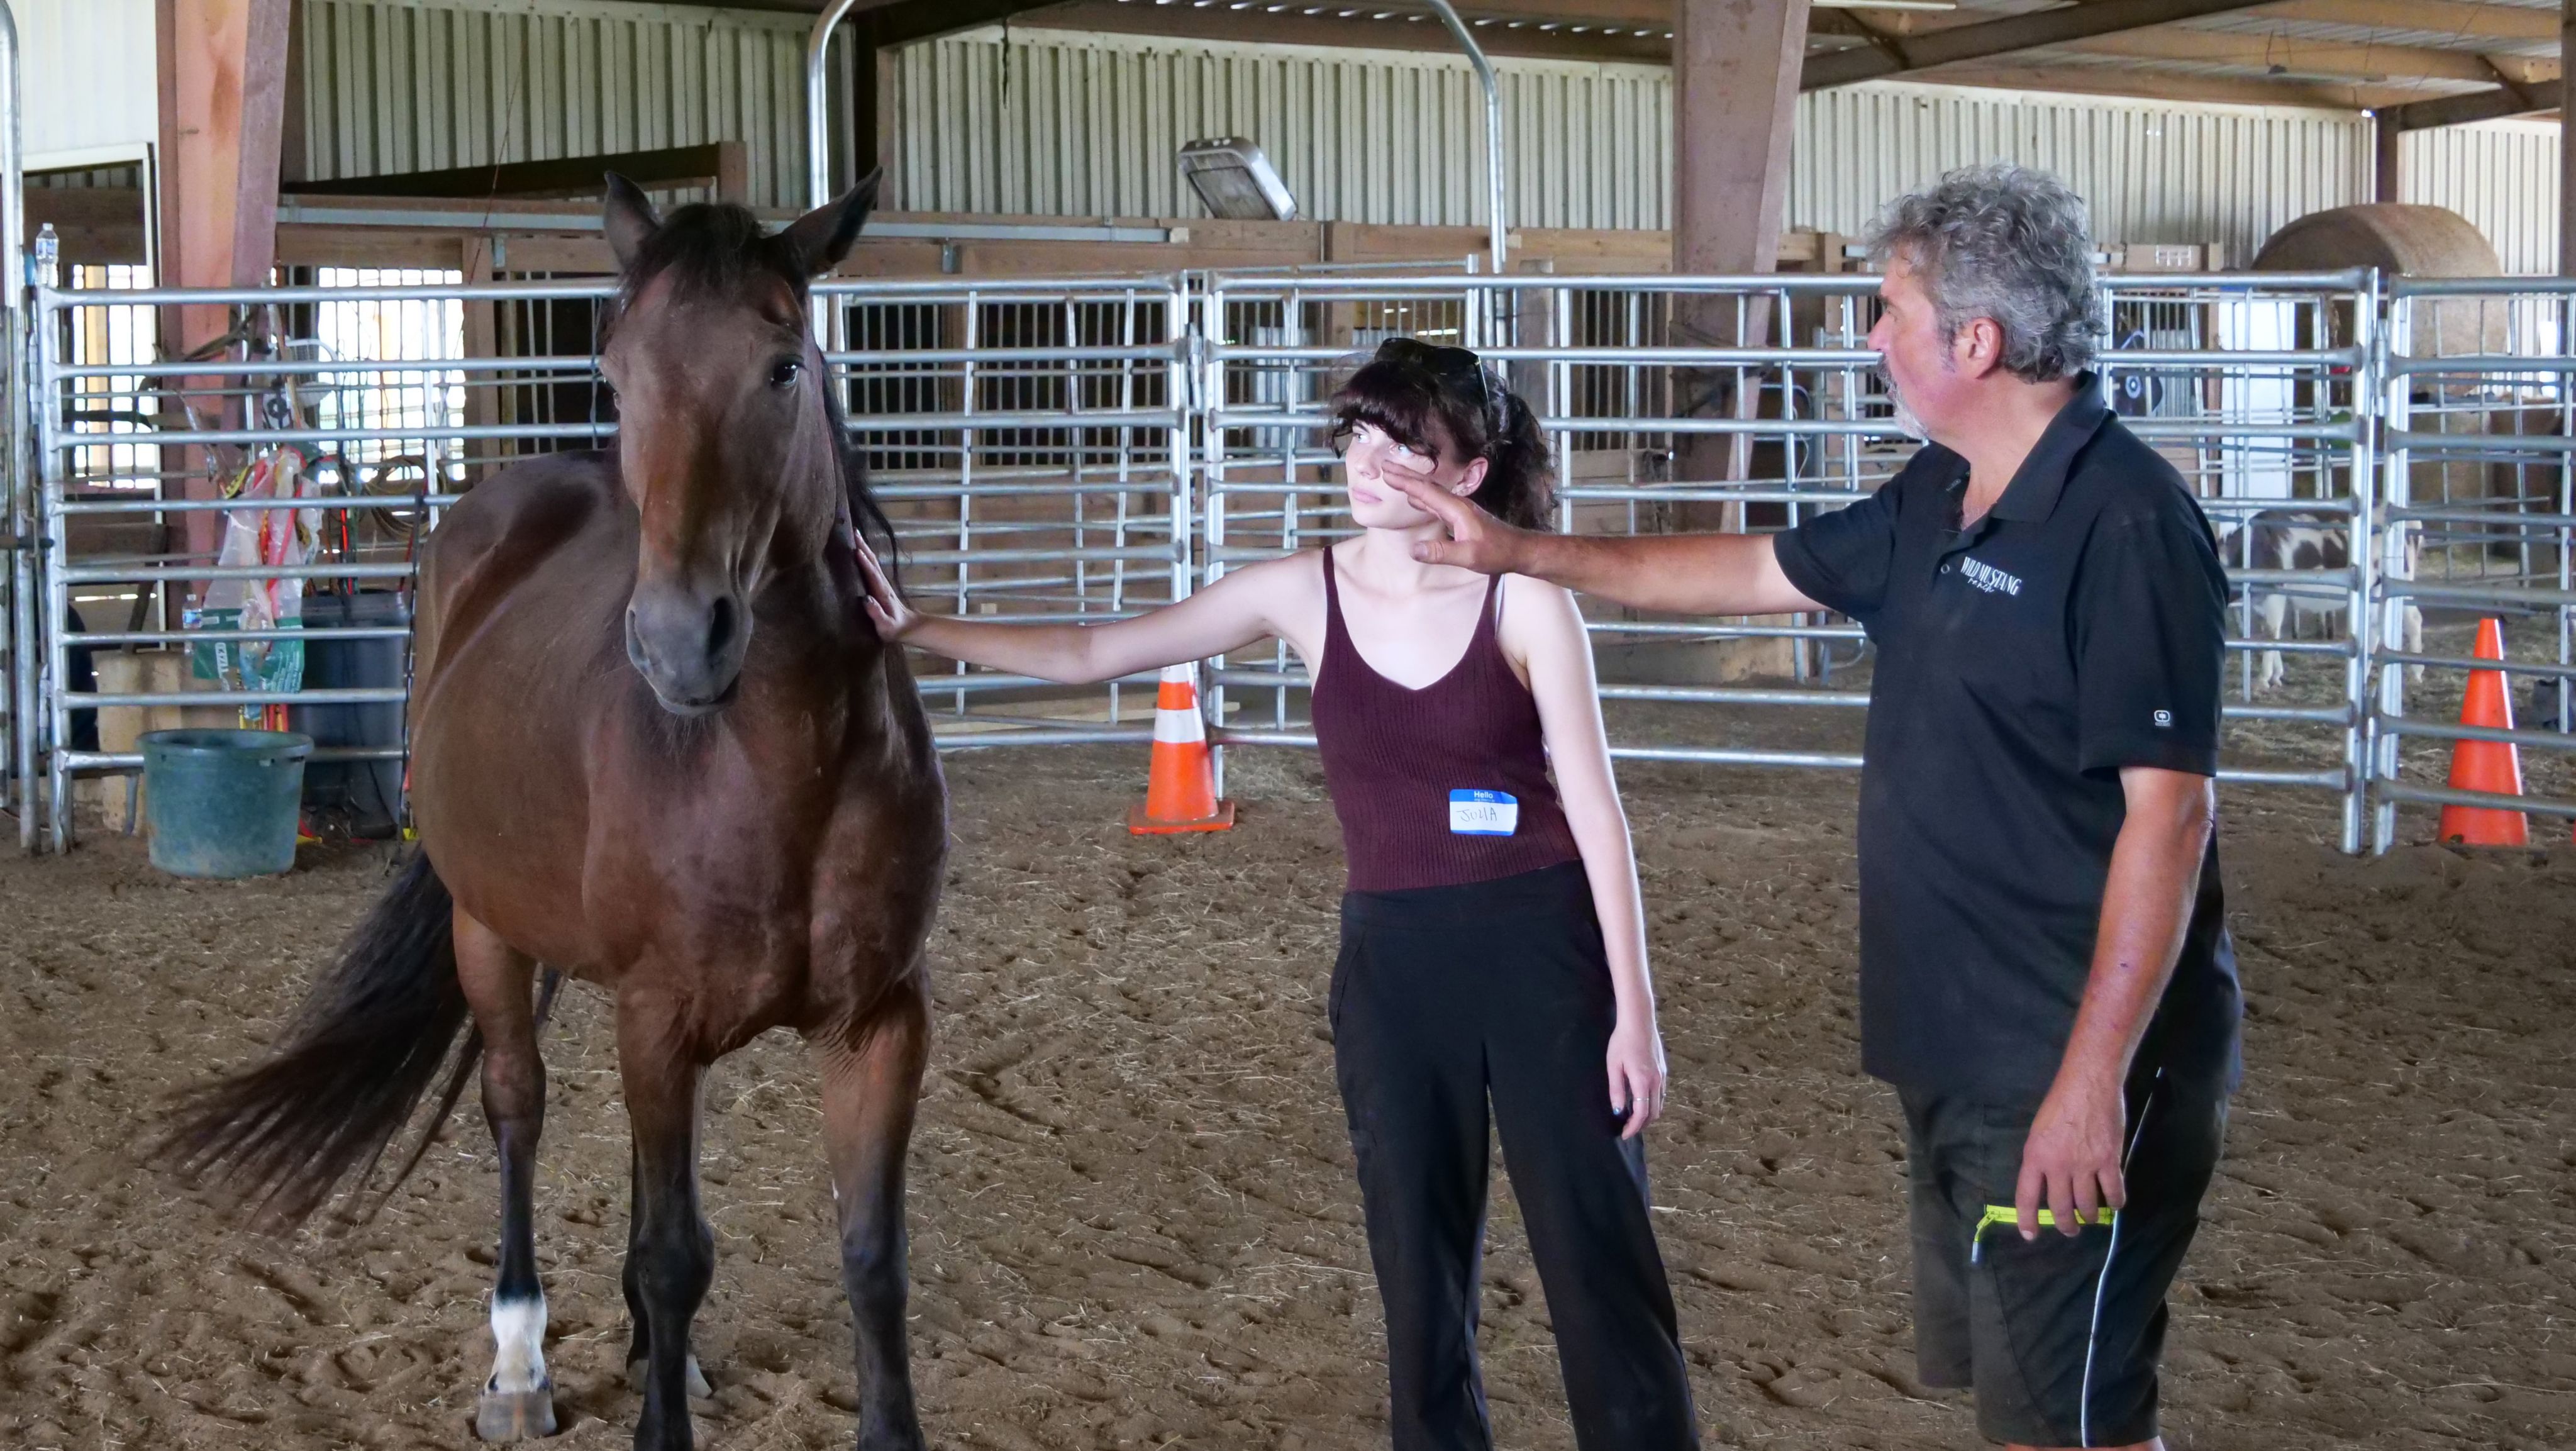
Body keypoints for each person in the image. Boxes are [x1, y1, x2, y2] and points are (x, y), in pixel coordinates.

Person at [1388, 165, 2238, 1451]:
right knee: (2036, 1414)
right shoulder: (1937, 495)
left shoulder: (2123, 525)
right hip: (1963, 1042)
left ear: (1976, 340)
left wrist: (2086, 1081)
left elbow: (2168, 820)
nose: (1869, 336)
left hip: (2059, 1051)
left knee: (2076, 1421)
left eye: (1888, 308)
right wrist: (1516, 550)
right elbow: (1742, 567)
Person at [858, 337, 1700, 1451]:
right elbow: (1093, 648)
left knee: (1598, 1258)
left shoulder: (1525, 602)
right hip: (1393, 968)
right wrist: (920, 628)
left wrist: (1634, 1014)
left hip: (1547, 955)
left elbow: (1599, 814)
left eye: (1404, 445)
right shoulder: (1301, 590)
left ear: (1467, 471)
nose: (1367, 462)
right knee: (1417, 1274)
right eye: (1358, 435)